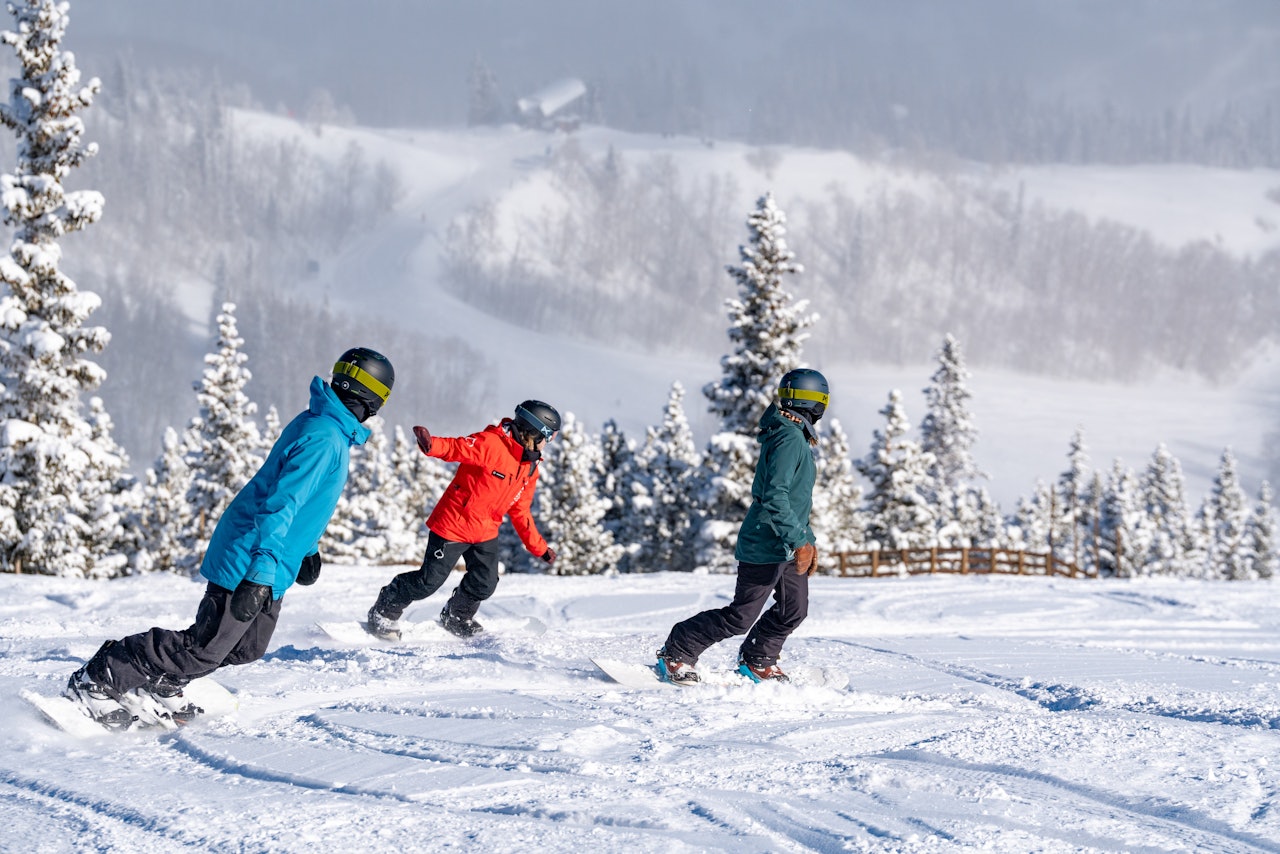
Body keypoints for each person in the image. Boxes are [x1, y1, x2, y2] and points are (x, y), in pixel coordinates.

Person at [64, 347, 396, 728]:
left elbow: (305, 505)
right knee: (205, 646)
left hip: (272, 560)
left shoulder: (327, 429)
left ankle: (163, 679)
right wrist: (260, 570)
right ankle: (103, 675)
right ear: (375, 398)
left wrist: (307, 549)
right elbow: (281, 504)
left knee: (247, 647)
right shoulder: (324, 437)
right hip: (251, 556)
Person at [657, 368, 830, 686]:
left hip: (788, 543)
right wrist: (800, 540)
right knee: (741, 616)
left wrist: (807, 540)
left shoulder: (793, 437)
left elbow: (795, 499)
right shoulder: (789, 438)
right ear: (817, 403)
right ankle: (678, 650)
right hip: (765, 541)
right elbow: (773, 495)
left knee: (794, 610)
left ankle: (759, 658)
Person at [367, 400, 561, 640]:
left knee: (485, 583)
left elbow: (520, 511)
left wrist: (539, 548)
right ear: (533, 431)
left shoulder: (529, 468)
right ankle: (384, 610)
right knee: (427, 583)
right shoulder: (491, 444)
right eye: (548, 437)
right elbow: (457, 447)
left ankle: (457, 616)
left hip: (485, 531)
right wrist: (430, 445)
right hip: (453, 525)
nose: (548, 443)